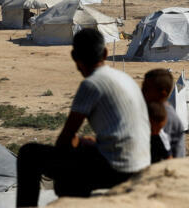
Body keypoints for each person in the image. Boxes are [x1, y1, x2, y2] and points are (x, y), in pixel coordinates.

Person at [16, 30, 149, 206]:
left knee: (29, 153)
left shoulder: (91, 84)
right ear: (105, 53)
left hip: (117, 170)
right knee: (80, 147)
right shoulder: (124, 78)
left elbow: (65, 139)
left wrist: (70, 152)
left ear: (74, 57)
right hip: (140, 162)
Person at [141, 69, 185, 159]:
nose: (142, 91)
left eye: (146, 89)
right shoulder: (145, 109)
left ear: (162, 93)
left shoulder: (165, 117)